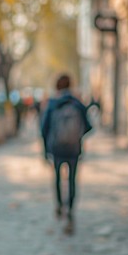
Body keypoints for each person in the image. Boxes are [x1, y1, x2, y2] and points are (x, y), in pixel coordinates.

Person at [40, 74, 92, 221]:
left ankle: (59, 205)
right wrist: (77, 136)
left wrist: (45, 149)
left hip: (56, 148)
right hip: (74, 148)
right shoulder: (77, 103)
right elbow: (88, 126)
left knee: (57, 177)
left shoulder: (52, 103)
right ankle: (70, 208)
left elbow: (44, 128)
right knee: (72, 179)